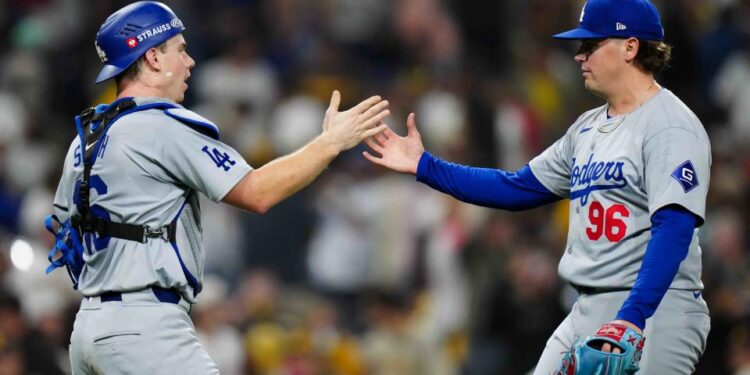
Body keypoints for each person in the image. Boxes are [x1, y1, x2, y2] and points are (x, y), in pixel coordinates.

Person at [363, 0, 710, 373]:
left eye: (591, 44)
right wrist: (424, 165)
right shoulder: (586, 128)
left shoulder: (669, 126)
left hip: (657, 310)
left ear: (630, 47)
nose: (579, 56)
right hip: (586, 308)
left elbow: (674, 226)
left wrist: (632, 317)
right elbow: (516, 188)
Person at [50, 2, 389, 373]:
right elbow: (257, 193)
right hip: (144, 328)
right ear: (152, 58)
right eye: (179, 49)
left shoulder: (85, 138)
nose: (190, 61)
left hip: (87, 328)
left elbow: (63, 235)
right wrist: (331, 143)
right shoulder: (159, 126)